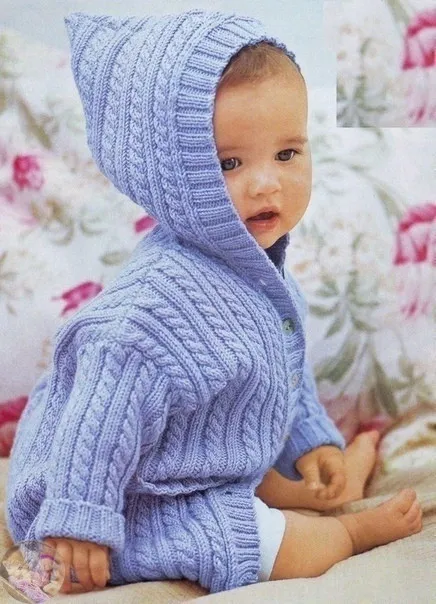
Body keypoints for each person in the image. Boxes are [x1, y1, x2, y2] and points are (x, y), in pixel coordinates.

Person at [5, 9, 422, 595]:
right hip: (118, 497)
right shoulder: (148, 314)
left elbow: (283, 370)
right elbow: (95, 422)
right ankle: (348, 532)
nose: (266, 183)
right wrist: (79, 519)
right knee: (276, 541)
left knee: (270, 480)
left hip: (194, 465)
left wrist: (310, 440)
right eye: (230, 163)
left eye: (287, 153)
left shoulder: (262, 280)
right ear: (171, 175)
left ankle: (326, 483)